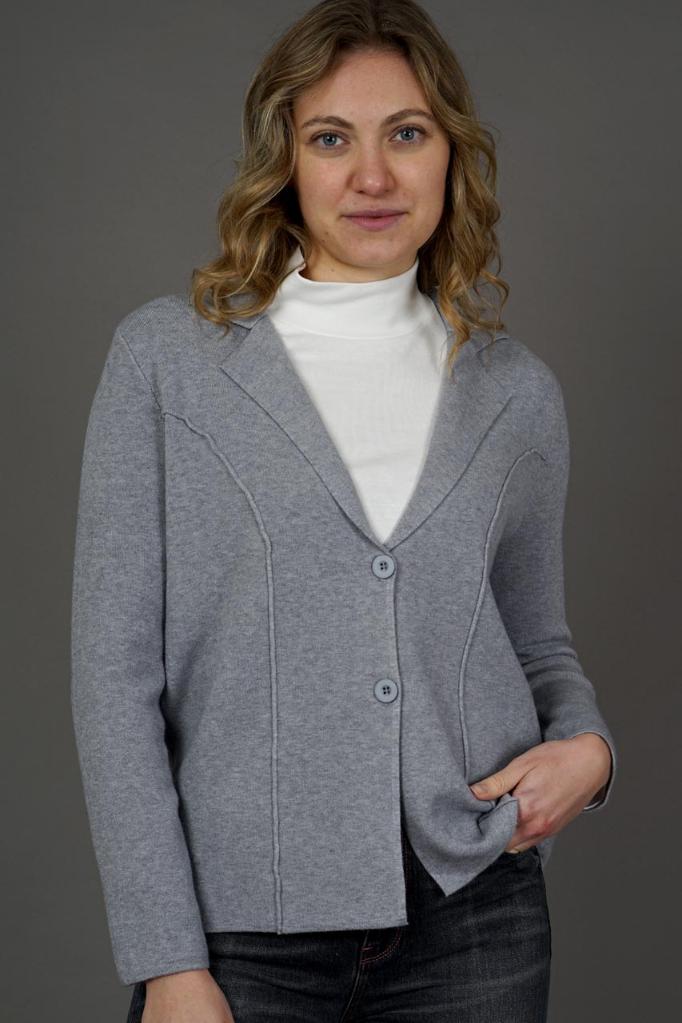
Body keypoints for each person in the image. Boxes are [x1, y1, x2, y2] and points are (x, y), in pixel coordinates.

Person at [70, 2, 617, 1021]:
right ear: (285, 160)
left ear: (450, 154)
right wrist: (166, 958)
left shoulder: (516, 394)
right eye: (331, 139)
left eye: (405, 134)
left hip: (476, 920)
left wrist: (590, 749)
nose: (372, 176)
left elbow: (535, 638)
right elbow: (114, 684)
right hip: (239, 934)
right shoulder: (168, 363)